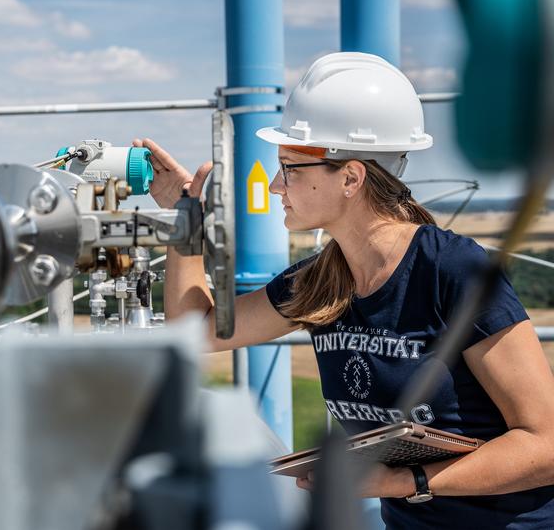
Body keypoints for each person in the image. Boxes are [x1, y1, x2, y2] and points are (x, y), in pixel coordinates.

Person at [134, 52, 554, 528]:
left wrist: (399, 482)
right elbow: (199, 331)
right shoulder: (320, 282)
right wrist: (187, 219)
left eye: (290, 167)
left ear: (351, 177)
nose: (275, 186)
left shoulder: (452, 270)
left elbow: (545, 446)